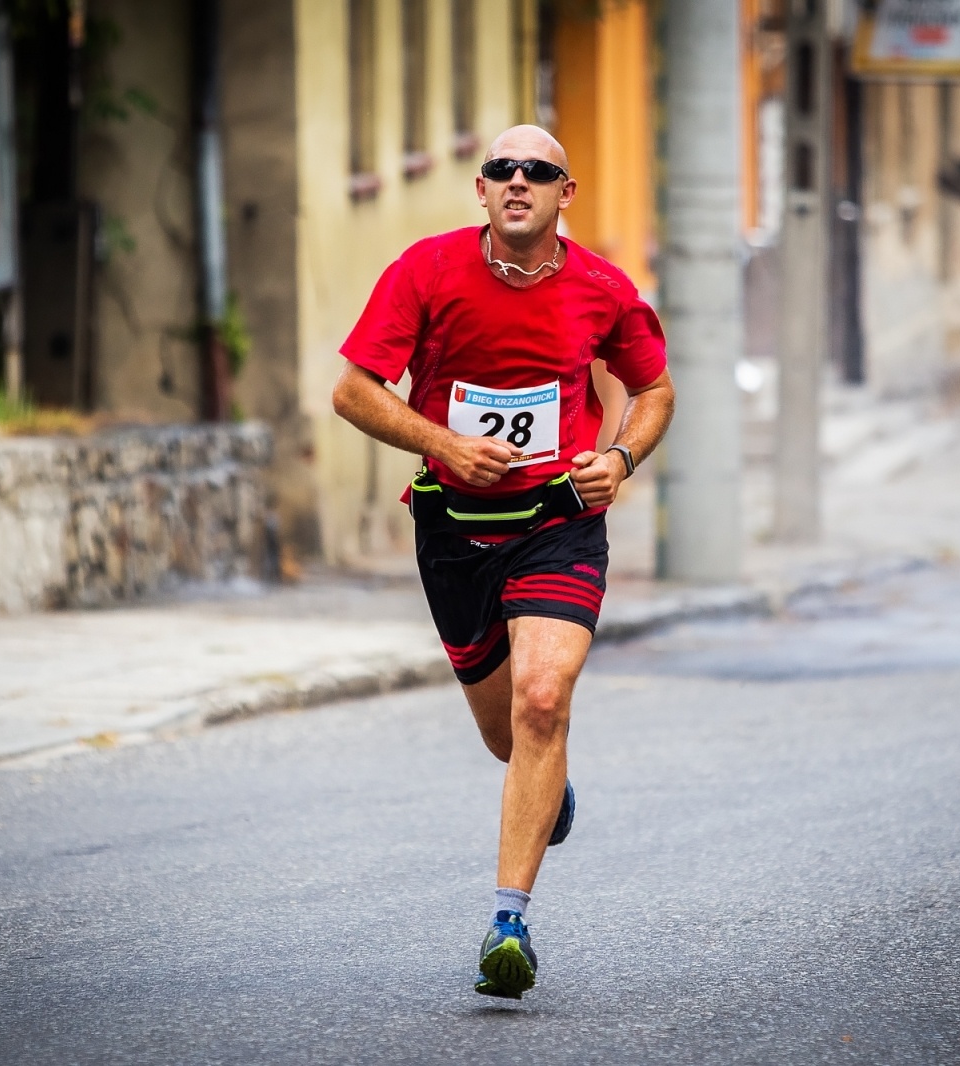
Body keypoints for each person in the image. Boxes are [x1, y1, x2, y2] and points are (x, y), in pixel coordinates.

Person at [331, 125, 675, 999]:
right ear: (481, 190)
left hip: (558, 523)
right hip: (454, 531)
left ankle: (508, 923)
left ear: (565, 192)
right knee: (505, 733)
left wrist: (621, 458)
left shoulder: (603, 288)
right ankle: (544, 782)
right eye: (501, 168)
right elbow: (352, 391)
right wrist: (444, 442)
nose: (518, 179)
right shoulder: (425, 272)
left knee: (542, 700)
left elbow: (654, 388)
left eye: (539, 170)